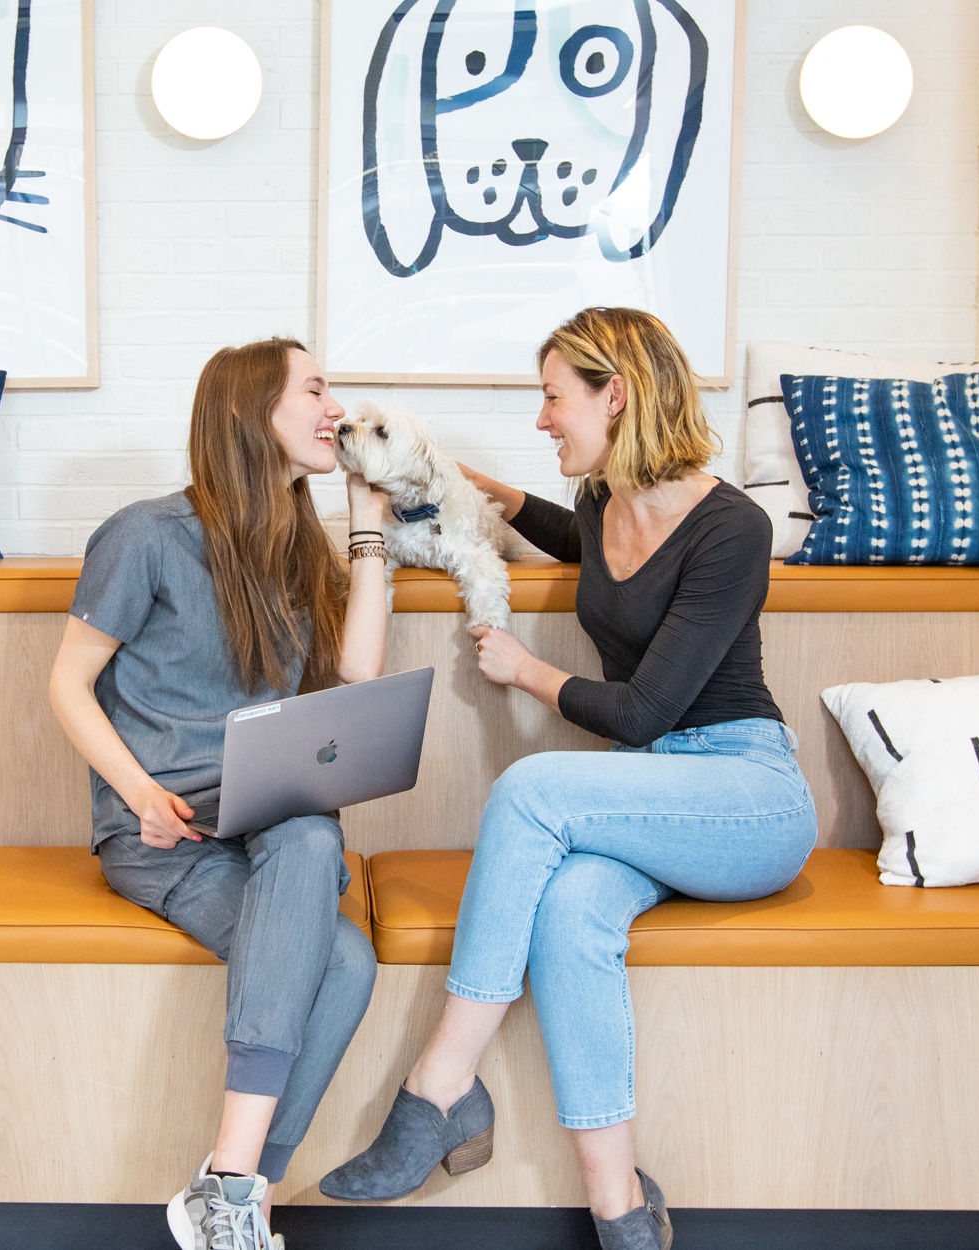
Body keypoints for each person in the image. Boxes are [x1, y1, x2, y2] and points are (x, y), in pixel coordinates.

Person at [320, 308, 818, 1250]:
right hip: (650, 796)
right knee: (570, 912)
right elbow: (571, 540)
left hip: (745, 796)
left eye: (555, 397)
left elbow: (644, 714)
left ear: (615, 395)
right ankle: (619, 1206)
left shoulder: (732, 529)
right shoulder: (598, 502)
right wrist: (484, 492)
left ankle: (437, 1089)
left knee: (532, 788)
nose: (543, 418)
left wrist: (527, 672)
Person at [47, 338, 392, 1250]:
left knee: (313, 834)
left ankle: (233, 1187)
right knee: (348, 961)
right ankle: (242, 1194)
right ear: (253, 412)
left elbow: (359, 671)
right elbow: (67, 686)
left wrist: (367, 519)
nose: (336, 407)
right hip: (166, 835)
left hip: (267, 818)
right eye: (316, 388)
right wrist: (140, 792)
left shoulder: (293, 546)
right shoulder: (146, 536)